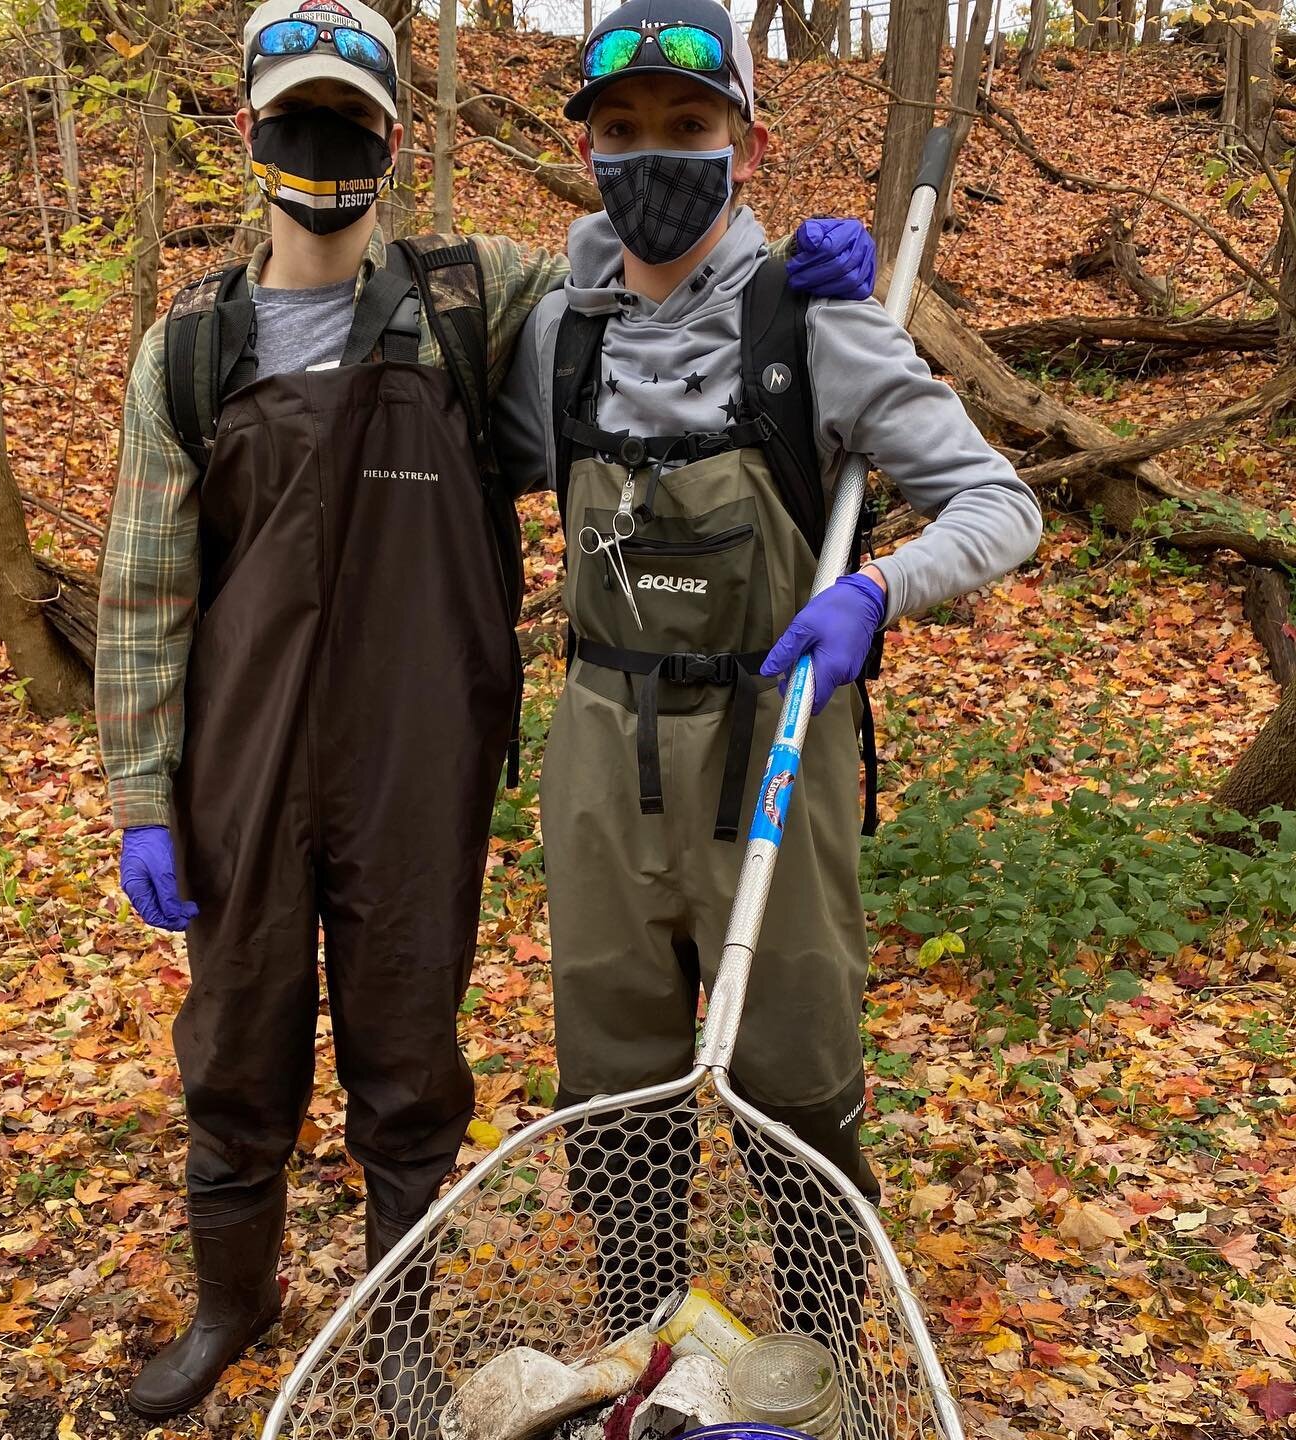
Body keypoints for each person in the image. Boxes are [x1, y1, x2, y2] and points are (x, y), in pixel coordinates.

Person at [96, 0, 877, 1417]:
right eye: (292, 116)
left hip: (420, 761)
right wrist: (146, 799)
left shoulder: (481, 301)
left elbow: (654, 278)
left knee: (408, 1066)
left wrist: (796, 280)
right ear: (244, 128)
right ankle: (233, 1306)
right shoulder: (189, 351)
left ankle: (397, 1330)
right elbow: (145, 595)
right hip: (240, 771)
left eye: (347, 117)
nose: (319, 142)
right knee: (236, 1046)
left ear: (395, 135)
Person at [492, 0, 1043, 1355]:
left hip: (777, 742)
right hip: (600, 750)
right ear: (586, 149)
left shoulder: (817, 327)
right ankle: (640, 1347)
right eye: (618, 133)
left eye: (688, 126)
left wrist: (874, 588)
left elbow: (999, 504)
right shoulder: (555, 336)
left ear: (747, 139)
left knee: (799, 1067)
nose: (652, 157)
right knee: (614, 1075)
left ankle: (814, 1353)